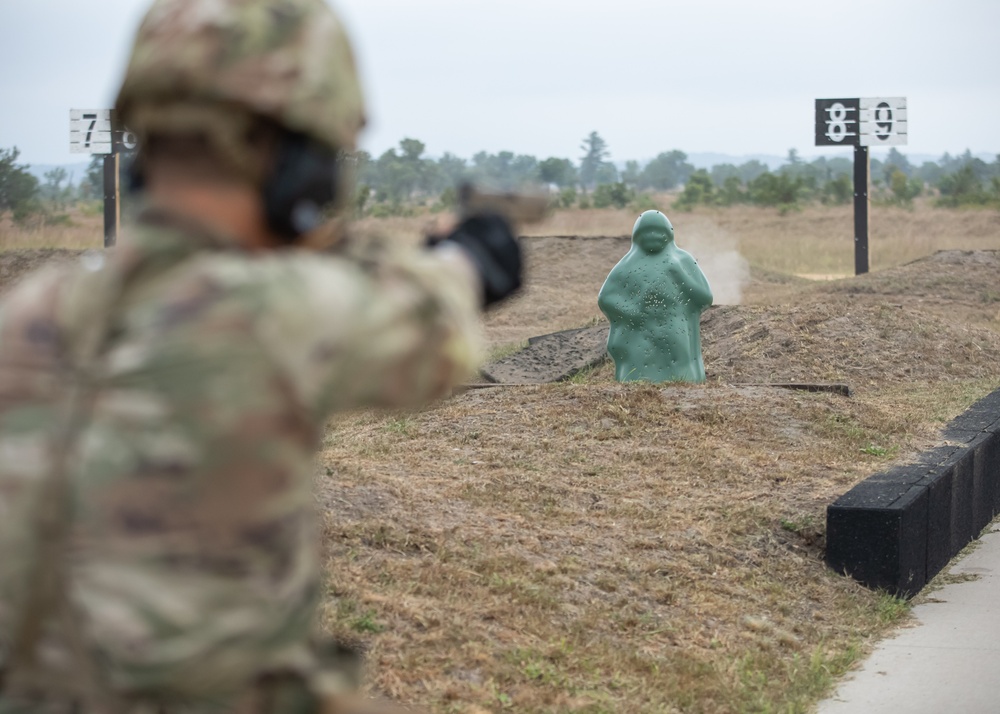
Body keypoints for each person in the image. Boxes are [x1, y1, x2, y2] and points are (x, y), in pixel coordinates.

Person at [0, 0, 521, 711]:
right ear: (298, 169)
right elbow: (437, 332)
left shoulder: (33, 307)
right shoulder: (272, 313)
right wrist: (469, 254)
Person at [597, 210, 712, 383]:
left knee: (681, 360)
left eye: (659, 231)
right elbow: (606, 297)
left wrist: (680, 275)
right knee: (637, 362)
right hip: (640, 329)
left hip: (675, 324)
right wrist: (631, 313)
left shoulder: (682, 260)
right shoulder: (627, 265)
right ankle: (637, 384)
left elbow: (704, 297)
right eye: (647, 231)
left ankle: (684, 384)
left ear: (669, 233)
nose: (653, 236)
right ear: (637, 236)